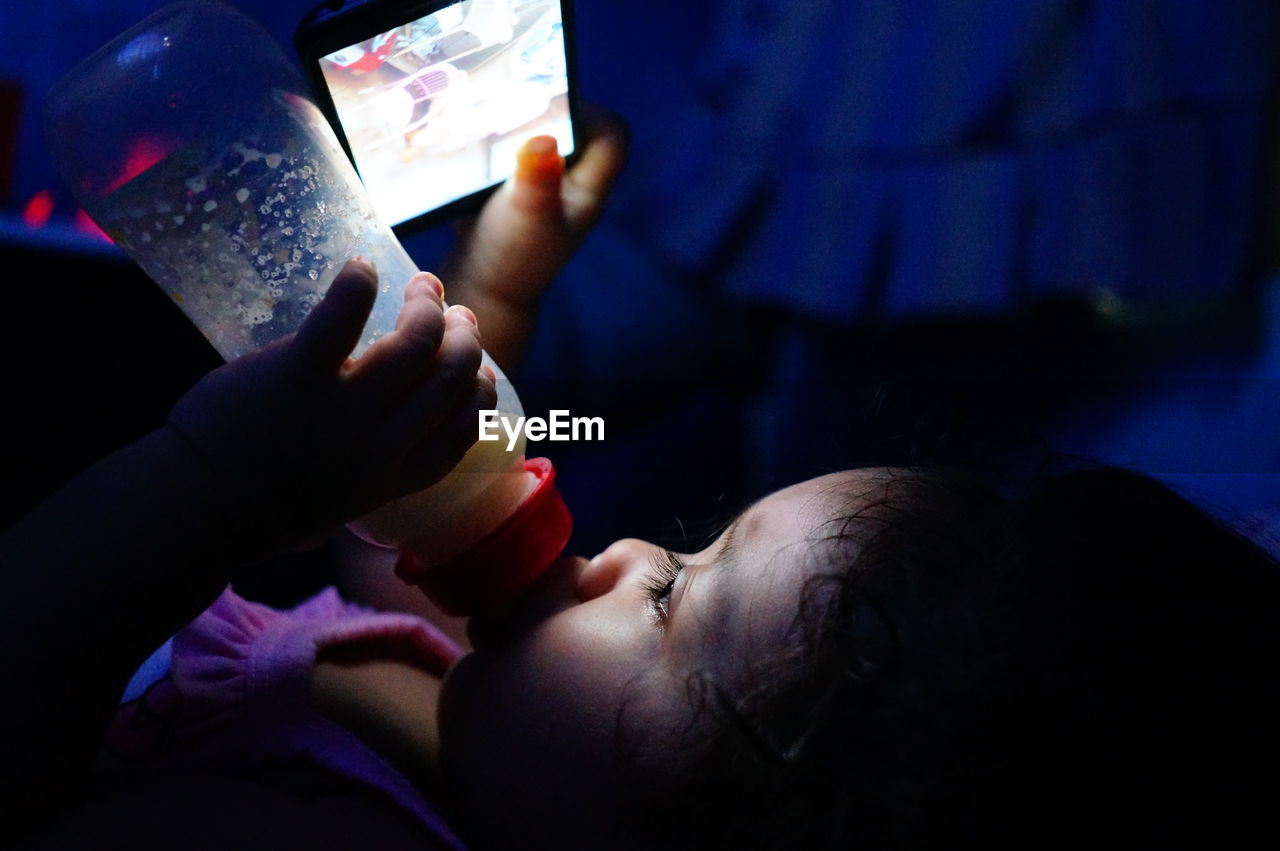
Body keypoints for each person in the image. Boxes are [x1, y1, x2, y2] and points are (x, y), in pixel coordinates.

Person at [4, 126, 1279, 850]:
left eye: (670, 602)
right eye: (687, 544)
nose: (616, 554)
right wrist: (490, 306)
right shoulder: (495, 737)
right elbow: (406, 550)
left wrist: (203, 484)